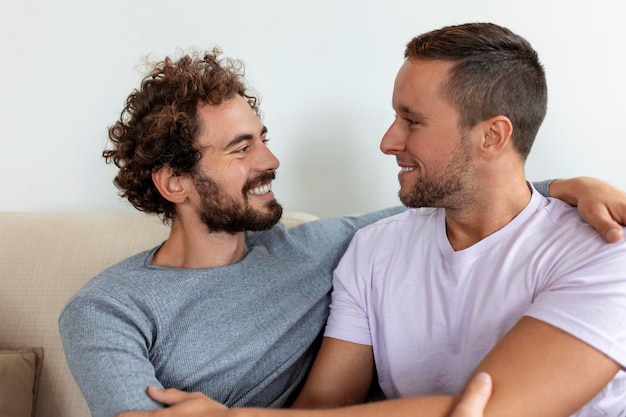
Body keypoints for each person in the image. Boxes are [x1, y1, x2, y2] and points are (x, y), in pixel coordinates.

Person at [59, 45, 626, 417]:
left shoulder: (325, 246)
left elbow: (484, 194)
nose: (272, 159)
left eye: (262, 137)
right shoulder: (107, 309)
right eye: (241, 148)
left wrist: (573, 185)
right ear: (174, 182)